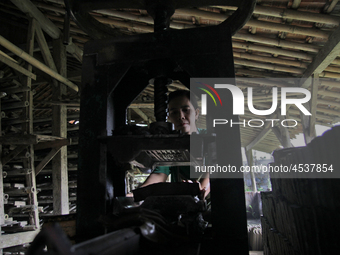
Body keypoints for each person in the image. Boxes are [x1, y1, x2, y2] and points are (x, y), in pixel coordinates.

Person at [140, 90, 210, 198]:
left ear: (196, 113)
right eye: (174, 112)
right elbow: (159, 174)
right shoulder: (170, 144)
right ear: (169, 118)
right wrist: (136, 195)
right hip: (181, 204)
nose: (181, 116)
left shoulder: (208, 138)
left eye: (186, 110)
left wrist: (199, 192)